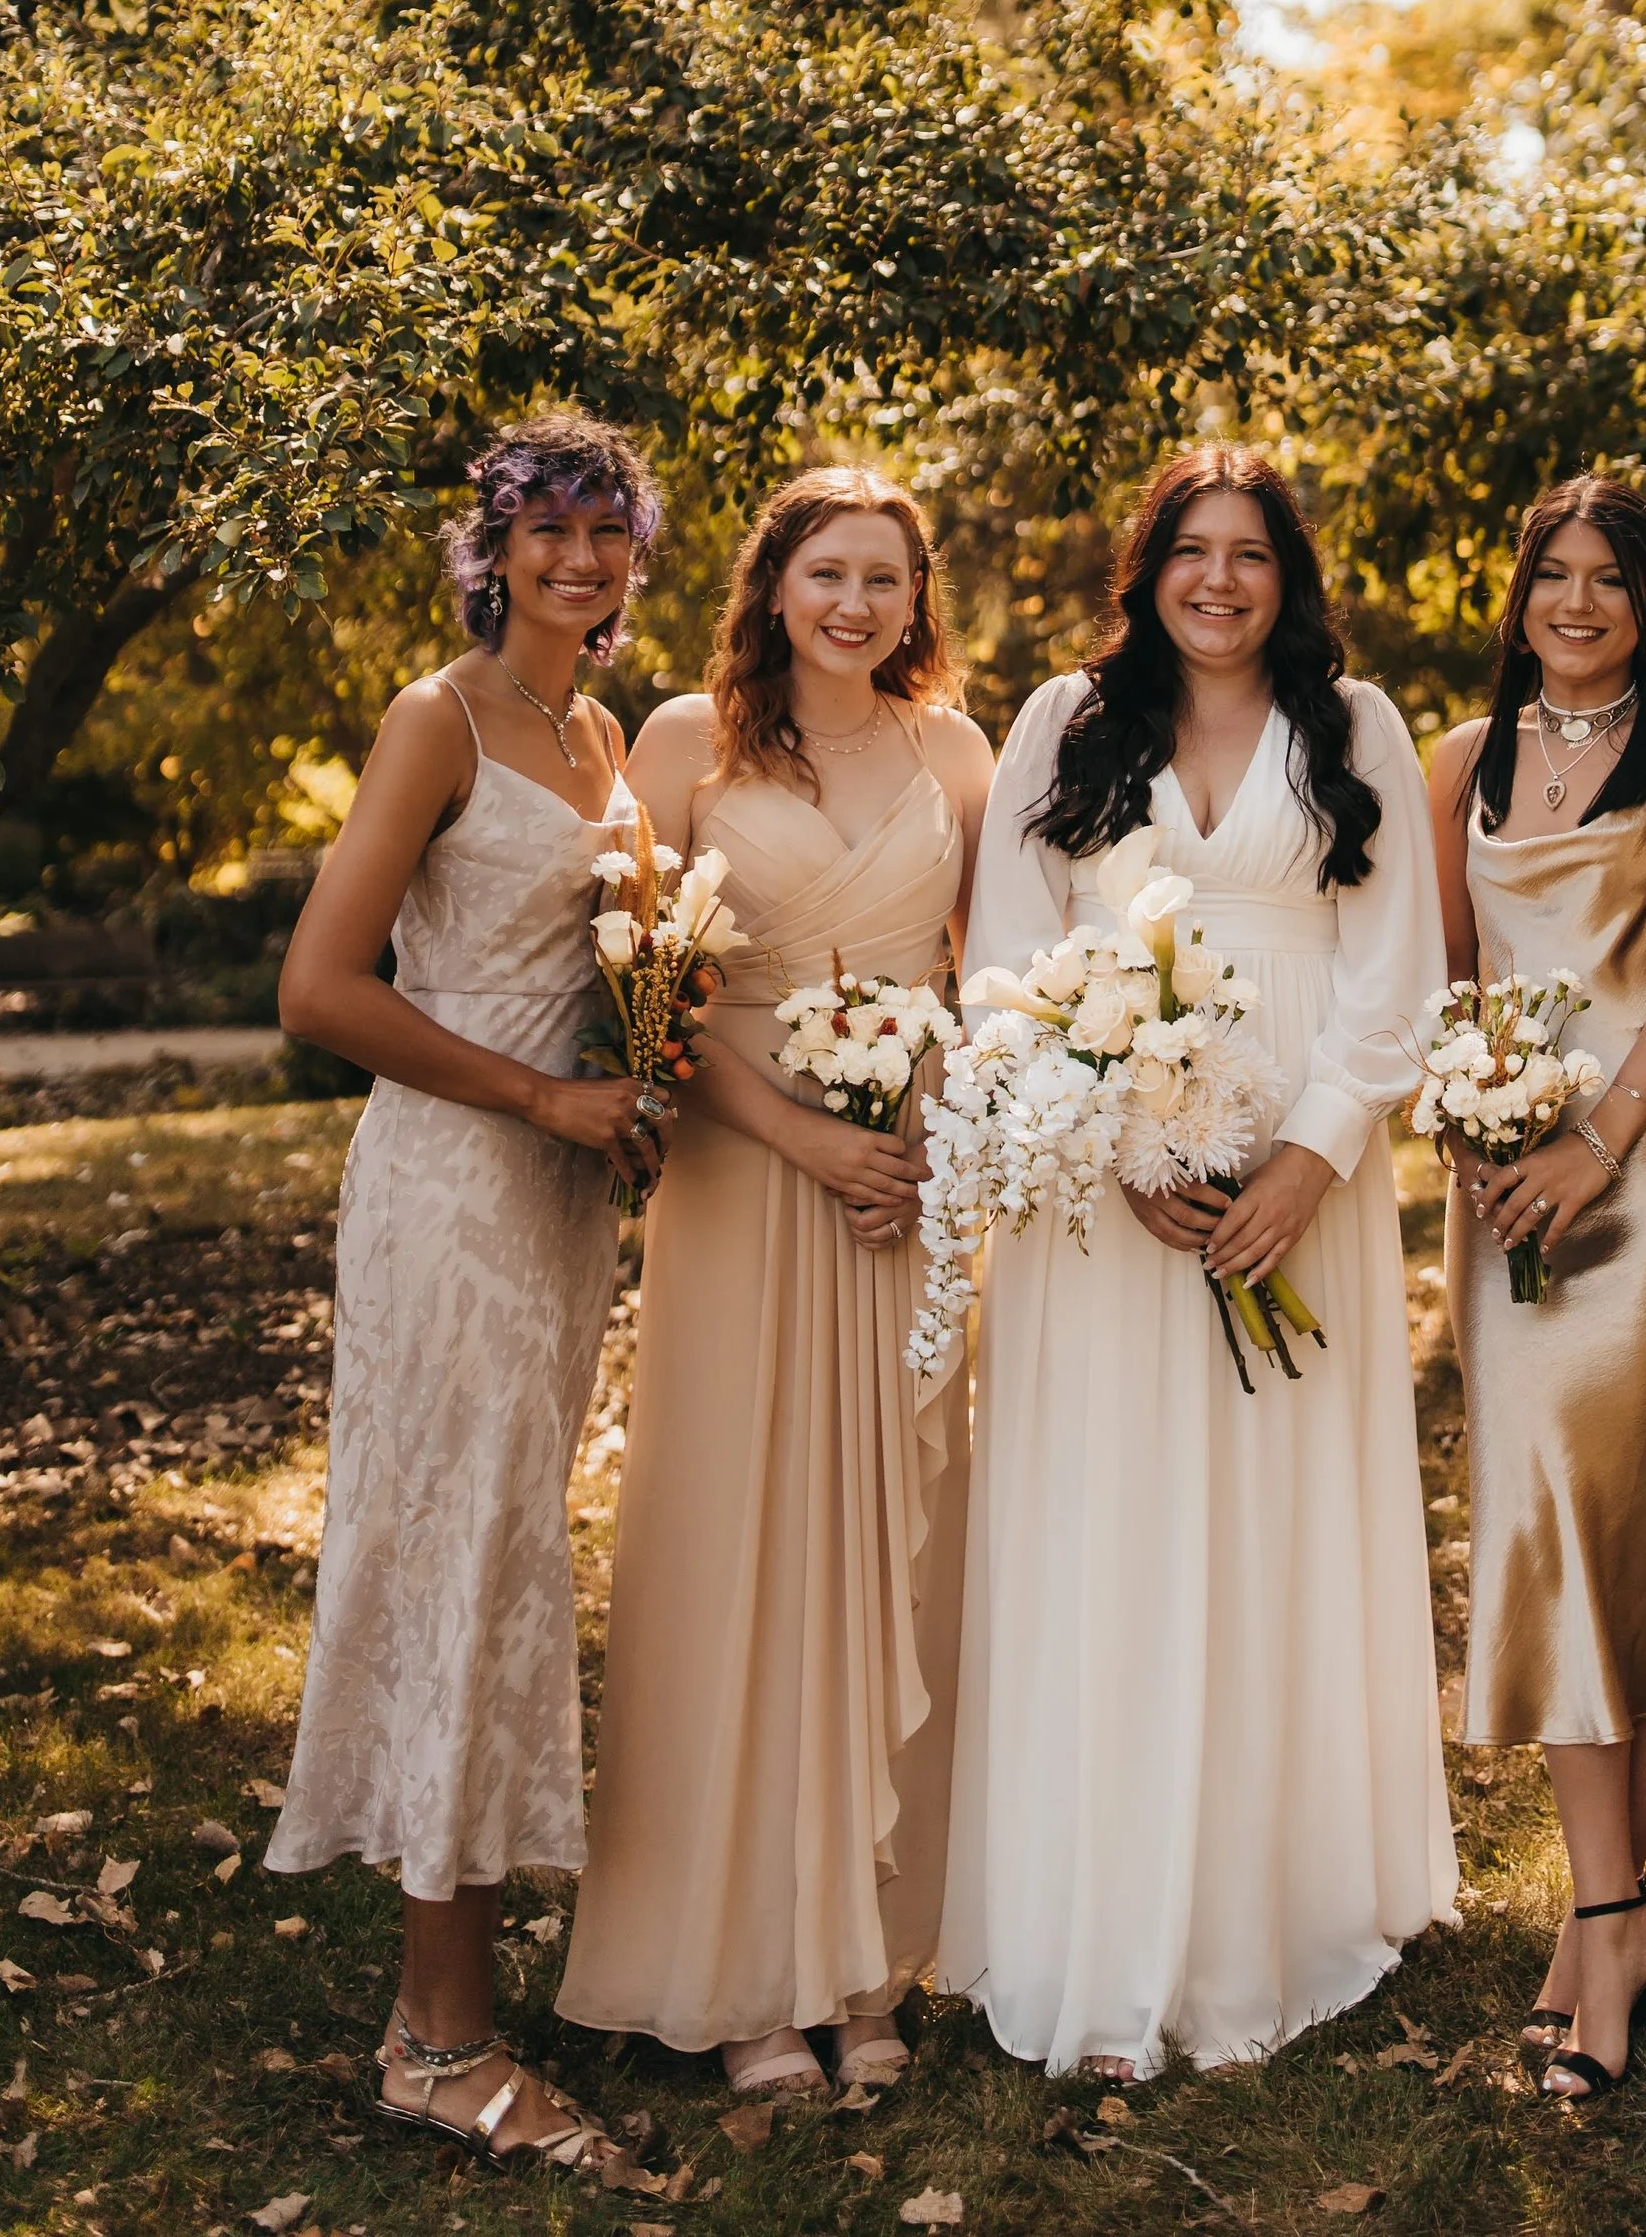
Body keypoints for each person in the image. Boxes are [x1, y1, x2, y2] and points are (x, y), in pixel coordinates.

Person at [941, 447, 1459, 2079]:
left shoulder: (1355, 726)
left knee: (1274, 1510)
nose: (1220, 580)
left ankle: (1272, 1897)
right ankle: (1099, 1907)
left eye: (1251, 553)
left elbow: (1397, 968)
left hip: (1310, 1163)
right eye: (1191, 550)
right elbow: (1006, 965)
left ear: (1288, 574)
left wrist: (1307, 1158)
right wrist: (1118, 1132)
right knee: (1115, 1513)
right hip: (1108, 1193)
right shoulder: (1059, 723)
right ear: (1146, 567)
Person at [560, 469, 993, 2100]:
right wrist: (805, 1139)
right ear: (776, 582)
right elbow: (648, 995)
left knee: (895, 1541)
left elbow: (989, 982)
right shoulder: (681, 743)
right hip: (750, 1184)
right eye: (829, 571)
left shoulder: (959, 751)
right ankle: (747, 1972)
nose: (856, 604)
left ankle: (867, 1957)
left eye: (885, 577)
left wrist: (926, 1140)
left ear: (916, 598)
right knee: (743, 1544)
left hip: (910, 1187)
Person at [268, 411, 665, 2169]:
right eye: (549, 532)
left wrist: (638, 1073)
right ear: (494, 548)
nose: (579, 562)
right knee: (466, 1569)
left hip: (565, 1200)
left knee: (507, 1561)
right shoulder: (440, 719)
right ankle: (440, 2040)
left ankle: (452, 2006)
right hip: (451, 1187)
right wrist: (539, 1095)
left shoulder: (600, 732)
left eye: (608, 535)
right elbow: (317, 988)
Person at [1424, 475, 1646, 2099]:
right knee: (1543, 1529)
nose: (1576, 601)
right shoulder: (1455, 765)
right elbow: (1439, 994)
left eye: (1608, 577)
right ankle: (1615, 1912)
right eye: (1551, 572)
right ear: (1517, 593)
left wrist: (1598, 1145)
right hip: (1510, 1206)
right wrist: (1482, 1138)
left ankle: (1609, 1917)